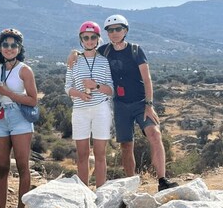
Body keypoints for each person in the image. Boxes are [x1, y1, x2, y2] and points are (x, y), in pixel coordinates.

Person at [68, 14, 178, 191]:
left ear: (125, 30)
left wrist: (149, 105)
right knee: (126, 145)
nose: (114, 33)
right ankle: (131, 184)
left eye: (118, 29)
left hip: (141, 102)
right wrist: (74, 53)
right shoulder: (105, 51)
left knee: (155, 134)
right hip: (120, 105)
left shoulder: (135, 50)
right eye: (111, 30)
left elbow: (147, 79)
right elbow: (87, 50)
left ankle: (162, 180)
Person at [0, 28, 38, 208]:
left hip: (19, 117)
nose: (9, 48)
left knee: (22, 166)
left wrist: (8, 93)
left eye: (13, 45)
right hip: (0, 117)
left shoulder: (24, 70)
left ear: (19, 48)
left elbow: (33, 100)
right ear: (0, 47)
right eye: (5, 45)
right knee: (2, 167)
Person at [65, 21, 114, 187]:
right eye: (86, 37)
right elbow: (67, 87)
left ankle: (100, 193)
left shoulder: (105, 61)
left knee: (100, 154)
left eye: (93, 37)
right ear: (81, 39)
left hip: (101, 109)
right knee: (82, 155)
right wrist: (79, 94)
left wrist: (96, 86)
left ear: (98, 39)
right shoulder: (74, 60)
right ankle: (83, 193)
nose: (89, 40)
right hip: (79, 110)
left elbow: (111, 90)